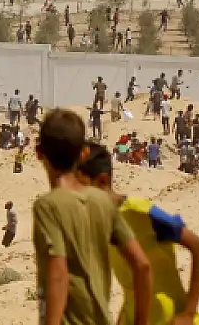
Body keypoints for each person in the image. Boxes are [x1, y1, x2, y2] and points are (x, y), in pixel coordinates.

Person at [33, 108, 151, 325]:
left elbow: (58, 273)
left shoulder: (48, 206)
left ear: (39, 152)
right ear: (84, 153)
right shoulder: (102, 202)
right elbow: (142, 265)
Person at [77, 144, 199, 325]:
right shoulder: (98, 226)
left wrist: (189, 313)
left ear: (102, 181)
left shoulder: (140, 212)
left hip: (170, 318)